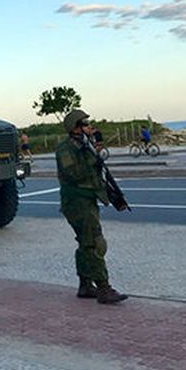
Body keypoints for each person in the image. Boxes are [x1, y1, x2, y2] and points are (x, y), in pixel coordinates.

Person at [55, 109, 128, 304]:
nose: (89, 127)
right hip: (77, 201)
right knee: (95, 243)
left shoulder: (84, 145)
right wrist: (92, 159)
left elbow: (100, 174)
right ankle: (104, 288)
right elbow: (74, 174)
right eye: (85, 124)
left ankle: (85, 285)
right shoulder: (66, 149)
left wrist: (114, 196)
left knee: (85, 243)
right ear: (75, 128)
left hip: (88, 199)